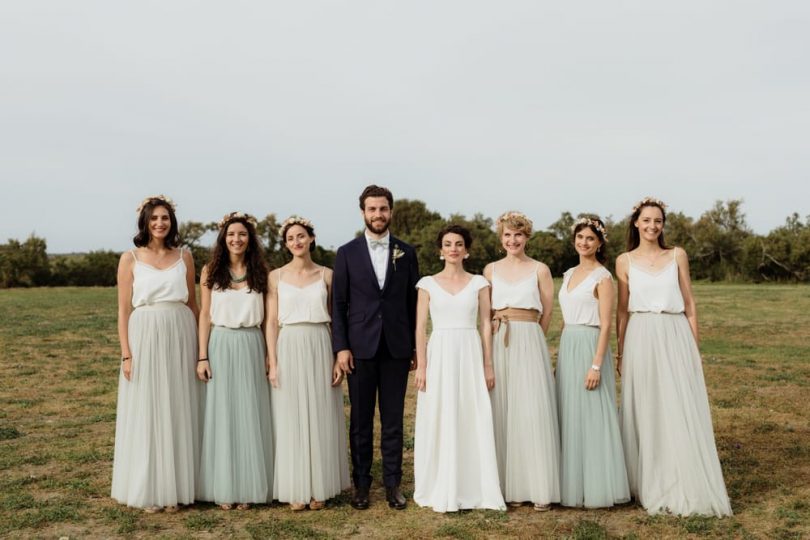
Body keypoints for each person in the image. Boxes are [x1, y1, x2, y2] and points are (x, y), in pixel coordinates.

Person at [616, 197, 732, 517]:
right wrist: (621, 350)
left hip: (674, 332)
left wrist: (693, 348)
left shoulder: (677, 255)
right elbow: (622, 311)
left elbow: (690, 304)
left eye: (658, 221)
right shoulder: (624, 261)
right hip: (640, 334)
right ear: (636, 223)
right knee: (647, 406)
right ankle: (648, 480)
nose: (653, 226)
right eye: (647, 220)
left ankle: (682, 479)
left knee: (678, 405)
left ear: (662, 225)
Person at [111, 195, 201, 513]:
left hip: (180, 330)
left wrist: (202, 349)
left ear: (172, 222)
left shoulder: (185, 257)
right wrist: (127, 354)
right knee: (149, 407)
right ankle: (150, 487)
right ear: (145, 222)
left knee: (179, 405)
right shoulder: (130, 259)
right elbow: (123, 311)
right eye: (154, 218)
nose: (160, 223)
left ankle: (178, 485)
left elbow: (193, 304)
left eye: (165, 218)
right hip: (145, 331)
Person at [332, 185, 419, 510]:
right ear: (363, 212)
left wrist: (413, 349)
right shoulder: (347, 253)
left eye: (383, 209)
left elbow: (413, 304)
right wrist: (341, 348)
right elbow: (338, 305)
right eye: (372, 209)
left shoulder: (406, 252)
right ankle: (362, 485)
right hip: (360, 348)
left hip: (396, 347)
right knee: (361, 420)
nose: (378, 215)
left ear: (391, 211)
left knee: (394, 419)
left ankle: (394, 484)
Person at [413, 225, 506, 513]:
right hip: (440, 352)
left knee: (470, 412)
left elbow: (484, 325)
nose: (453, 248)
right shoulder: (426, 283)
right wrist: (422, 365)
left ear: (467, 250)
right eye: (448, 244)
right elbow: (419, 328)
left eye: (459, 244)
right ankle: (439, 483)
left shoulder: (479, 283)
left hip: (469, 350)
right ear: (440, 250)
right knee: (440, 413)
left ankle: (474, 486)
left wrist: (487, 363)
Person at [267, 216, 350, 511]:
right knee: (290, 414)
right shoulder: (275, 277)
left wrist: (336, 355)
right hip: (289, 343)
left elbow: (337, 318)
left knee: (320, 412)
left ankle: (319, 487)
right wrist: (273, 361)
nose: (296, 242)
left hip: (319, 342)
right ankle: (296, 487)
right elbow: (271, 323)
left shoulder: (327, 274)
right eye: (290, 238)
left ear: (311, 239)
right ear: (286, 243)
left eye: (301, 236)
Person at [483, 211, 560, 510]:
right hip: (500, 337)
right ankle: (507, 485)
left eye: (518, 234)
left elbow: (548, 311)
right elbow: (485, 310)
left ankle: (537, 485)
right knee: (503, 409)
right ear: (501, 238)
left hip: (529, 339)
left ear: (526, 237)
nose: (512, 240)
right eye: (507, 235)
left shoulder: (540, 269)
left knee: (530, 410)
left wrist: (534, 341)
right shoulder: (489, 270)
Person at [196, 212, 273, 510]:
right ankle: (224, 487)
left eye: (242, 234)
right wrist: (202, 355)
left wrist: (269, 354)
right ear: (223, 238)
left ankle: (248, 488)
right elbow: (204, 315)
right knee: (223, 413)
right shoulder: (210, 271)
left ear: (250, 239)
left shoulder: (261, 273)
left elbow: (268, 320)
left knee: (250, 413)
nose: (236, 239)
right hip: (221, 343)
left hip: (252, 343)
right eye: (231, 235)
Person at [556, 216, 630, 508]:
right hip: (569, 344)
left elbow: (606, 325)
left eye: (590, 238)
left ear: (599, 243)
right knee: (569, 413)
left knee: (591, 415)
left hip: (590, 345)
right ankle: (571, 482)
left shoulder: (603, 278)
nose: (584, 242)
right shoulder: (568, 273)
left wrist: (597, 364)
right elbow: (565, 318)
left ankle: (598, 485)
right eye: (580, 237)